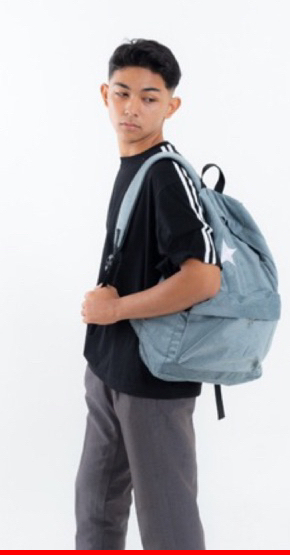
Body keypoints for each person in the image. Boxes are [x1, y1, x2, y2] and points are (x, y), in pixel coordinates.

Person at [76, 38, 222, 550]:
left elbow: (203, 279)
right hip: (109, 366)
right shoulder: (135, 165)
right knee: (95, 509)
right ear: (105, 95)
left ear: (171, 106)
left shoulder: (167, 174)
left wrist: (115, 308)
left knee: (168, 525)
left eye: (149, 97)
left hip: (154, 379)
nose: (132, 108)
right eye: (122, 93)